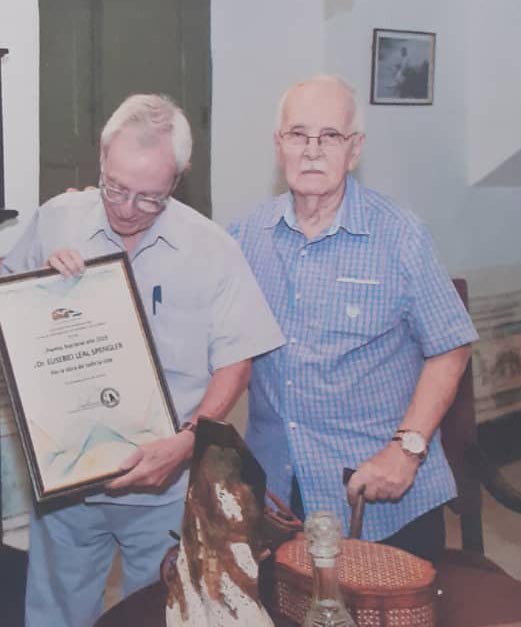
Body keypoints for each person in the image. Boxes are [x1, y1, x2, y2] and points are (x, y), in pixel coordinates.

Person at [1, 93, 285, 627]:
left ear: (179, 179)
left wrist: (185, 443)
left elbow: (236, 364)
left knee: (156, 615)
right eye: (115, 188)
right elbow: (10, 308)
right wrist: (39, 284)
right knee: (55, 615)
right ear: (102, 163)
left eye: (149, 198)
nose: (127, 208)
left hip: (167, 486)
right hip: (67, 487)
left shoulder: (213, 249)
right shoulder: (58, 218)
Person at [229, 75, 478, 560]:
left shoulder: (401, 236)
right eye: (298, 135)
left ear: (355, 149)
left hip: (380, 498)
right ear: (279, 144)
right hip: (278, 497)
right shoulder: (244, 237)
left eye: (330, 137)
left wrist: (407, 451)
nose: (312, 151)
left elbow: (451, 348)